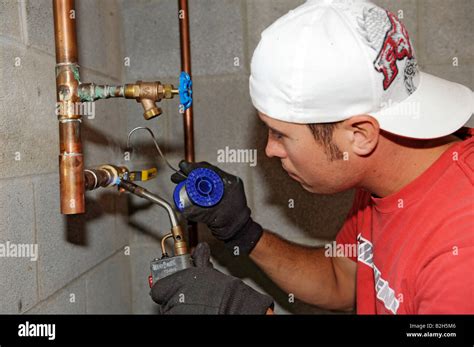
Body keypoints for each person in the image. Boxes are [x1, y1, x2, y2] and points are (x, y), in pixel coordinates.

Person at [151, 0, 474, 314]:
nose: (270, 149)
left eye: (280, 134)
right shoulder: (386, 176)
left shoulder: (461, 250)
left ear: (359, 134)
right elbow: (341, 281)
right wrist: (242, 231)